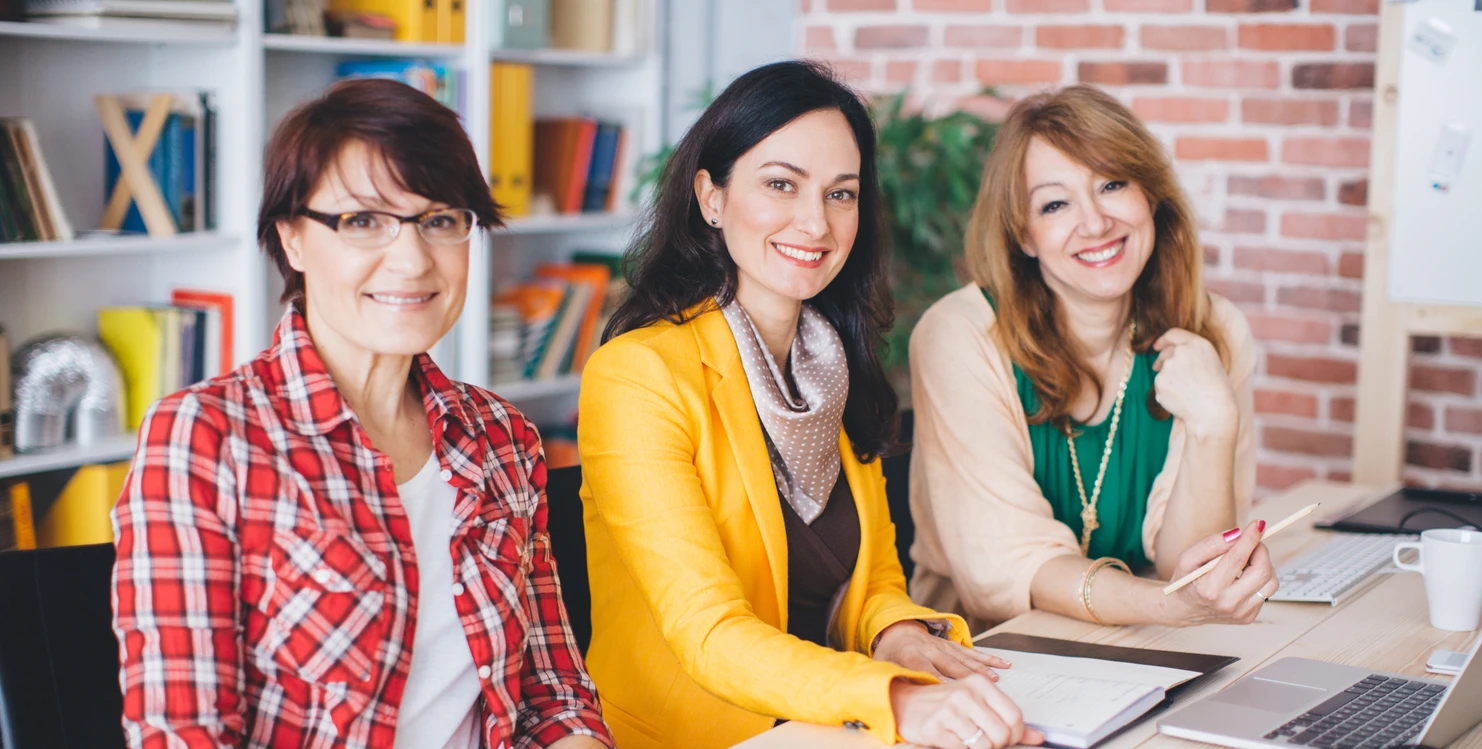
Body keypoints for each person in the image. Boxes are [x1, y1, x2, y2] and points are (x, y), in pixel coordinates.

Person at [111, 79, 611, 749]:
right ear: (292, 238)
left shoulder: (502, 437)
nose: (410, 259)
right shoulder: (208, 439)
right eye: (364, 220)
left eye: (440, 220)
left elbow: (553, 696)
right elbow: (183, 735)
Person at [576, 60, 1043, 749]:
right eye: (780, 184)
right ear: (711, 195)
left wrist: (899, 635)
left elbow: (876, 573)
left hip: (832, 726)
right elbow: (709, 633)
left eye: (842, 194)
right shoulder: (638, 376)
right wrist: (896, 702)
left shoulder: (832, 363)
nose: (815, 221)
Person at [907, 85, 1278, 634]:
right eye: (1055, 204)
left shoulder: (1213, 332)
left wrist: (1214, 427)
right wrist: (1166, 605)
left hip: (1146, 648)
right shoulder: (960, 336)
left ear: (1150, 195)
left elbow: (1191, 567)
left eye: (1112, 185)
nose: (1096, 222)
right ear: (1024, 236)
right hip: (989, 656)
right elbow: (1002, 571)